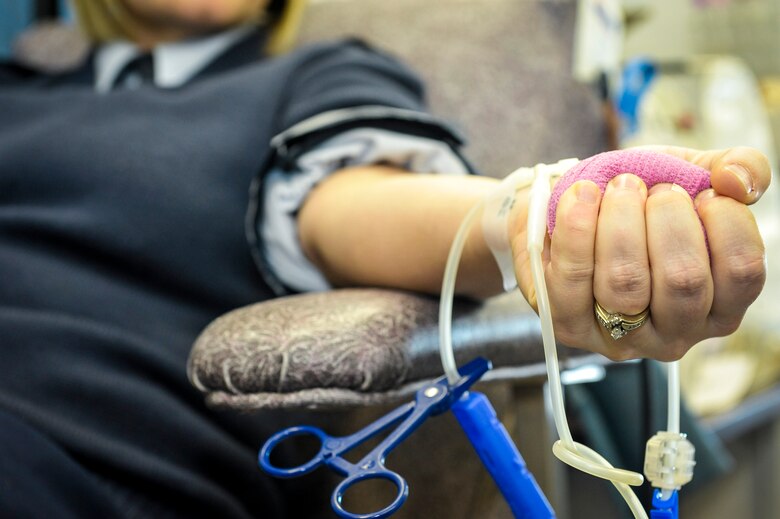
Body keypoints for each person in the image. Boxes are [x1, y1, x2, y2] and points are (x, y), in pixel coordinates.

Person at [0, 0, 770, 517]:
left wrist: (539, 212)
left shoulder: (314, 75)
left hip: (72, 444)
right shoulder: (18, 84)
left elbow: (353, 205)